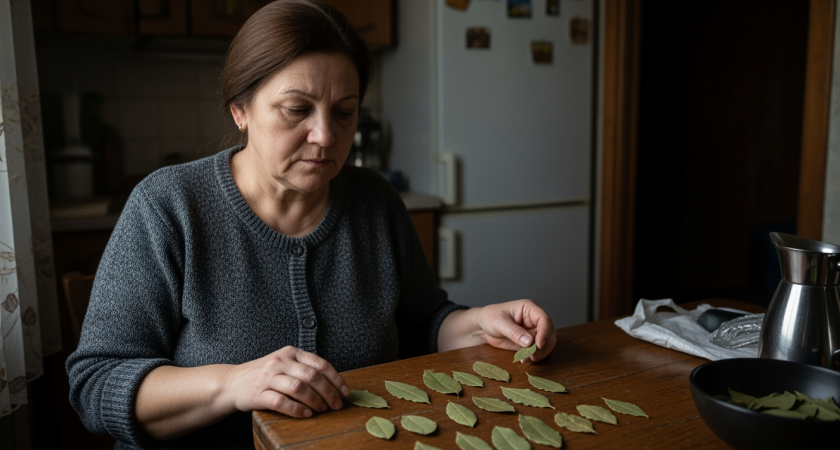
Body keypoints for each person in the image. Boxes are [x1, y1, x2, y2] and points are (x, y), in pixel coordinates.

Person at [66, 1, 557, 449]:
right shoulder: (168, 206)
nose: (325, 135)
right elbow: (97, 384)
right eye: (297, 109)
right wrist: (233, 384)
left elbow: (423, 323)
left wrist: (479, 323)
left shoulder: (375, 202)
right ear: (241, 110)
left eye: (344, 113)